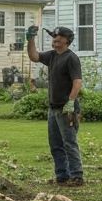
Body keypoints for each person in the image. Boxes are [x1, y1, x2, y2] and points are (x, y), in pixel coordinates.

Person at [27, 24, 84, 186]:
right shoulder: (52, 56)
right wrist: (30, 38)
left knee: (69, 142)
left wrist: (70, 103)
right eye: (54, 38)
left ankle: (77, 175)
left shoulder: (71, 58)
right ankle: (62, 175)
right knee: (55, 144)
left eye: (58, 38)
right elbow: (34, 56)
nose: (55, 40)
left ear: (67, 40)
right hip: (53, 108)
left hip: (66, 108)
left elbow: (77, 82)